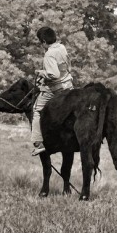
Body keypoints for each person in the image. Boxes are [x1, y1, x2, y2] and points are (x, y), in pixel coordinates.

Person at [31, 26, 74, 156]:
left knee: (36, 110)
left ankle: (38, 143)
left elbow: (53, 74)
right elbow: (68, 66)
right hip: (68, 85)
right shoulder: (62, 47)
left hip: (56, 88)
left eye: (40, 42)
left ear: (44, 41)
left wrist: (41, 72)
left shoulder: (49, 54)